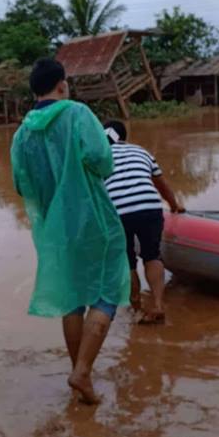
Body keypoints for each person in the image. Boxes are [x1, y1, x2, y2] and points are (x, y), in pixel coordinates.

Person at [10, 58, 129, 405]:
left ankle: (81, 373)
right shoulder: (77, 113)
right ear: (62, 84)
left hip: (54, 225)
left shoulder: (22, 132)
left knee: (72, 298)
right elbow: (102, 159)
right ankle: (82, 372)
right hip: (94, 218)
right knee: (108, 291)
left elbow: (20, 184)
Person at [101, 120, 184, 325]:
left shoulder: (100, 157)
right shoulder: (141, 151)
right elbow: (162, 186)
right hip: (149, 206)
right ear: (124, 137)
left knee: (127, 261)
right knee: (152, 256)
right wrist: (175, 206)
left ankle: (136, 308)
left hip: (119, 212)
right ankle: (157, 305)